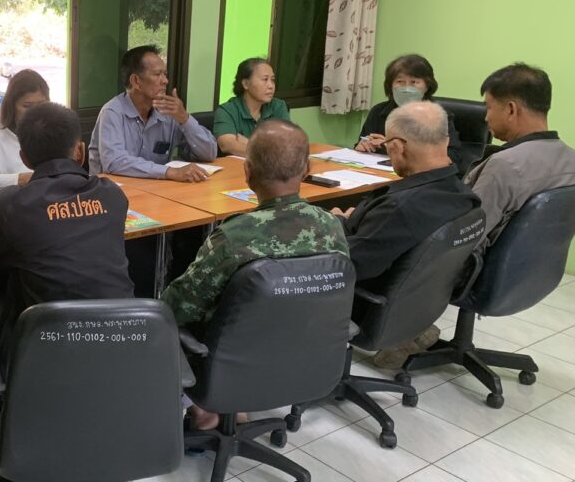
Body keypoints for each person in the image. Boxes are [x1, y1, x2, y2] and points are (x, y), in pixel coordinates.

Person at [0, 102, 134, 482]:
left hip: (47, 351)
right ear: (80, 151)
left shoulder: (12, 203)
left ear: (24, 157)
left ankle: (17, 452)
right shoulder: (112, 196)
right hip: (120, 345)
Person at [161, 120, 348, 430]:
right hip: (307, 356)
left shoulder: (234, 237)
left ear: (247, 172)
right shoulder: (332, 227)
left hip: (230, 365)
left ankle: (204, 409)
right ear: (307, 169)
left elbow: (178, 307)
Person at [334, 101, 480, 369]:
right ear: (446, 140)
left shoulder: (401, 208)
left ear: (398, 146)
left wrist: (336, 223)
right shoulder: (462, 195)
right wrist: (364, 219)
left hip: (367, 304)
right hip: (417, 304)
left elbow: (349, 264)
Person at [466, 63, 575, 255]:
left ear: (511, 110)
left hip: (484, 271)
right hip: (538, 267)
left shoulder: (504, 166)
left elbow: (463, 241)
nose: (486, 118)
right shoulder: (570, 159)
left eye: (489, 107)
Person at [88, 45, 217, 182]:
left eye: (165, 74)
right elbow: (114, 162)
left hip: (155, 189)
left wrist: (185, 118)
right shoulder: (112, 112)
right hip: (113, 190)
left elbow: (209, 154)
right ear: (136, 81)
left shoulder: (168, 112)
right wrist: (170, 172)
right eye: (157, 74)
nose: (165, 81)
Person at [355, 54, 463, 170]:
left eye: (414, 82)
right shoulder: (378, 111)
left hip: (421, 176)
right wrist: (362, 146)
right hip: (377, 174)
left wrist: (393, 148)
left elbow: (453, 157)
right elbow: (360, 144)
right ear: (390, 86)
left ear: (427, 86)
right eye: (400, 82)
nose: (406, 88)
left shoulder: (438, 115)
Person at [0, 69, 50, 188]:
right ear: (11, 105)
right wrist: (20, 179)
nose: (35, 112)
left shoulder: (54, 129)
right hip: (6, 197)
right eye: (27, 106)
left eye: (41, 105)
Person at [213, 58, 290, 156]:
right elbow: (227, 145)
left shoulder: (278, 106)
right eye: (265, 79)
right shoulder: (227, 110)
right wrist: (270, 150)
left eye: (272, 80)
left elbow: (287, 143)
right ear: (246, 84)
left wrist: (250, 143)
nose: (271, 86)